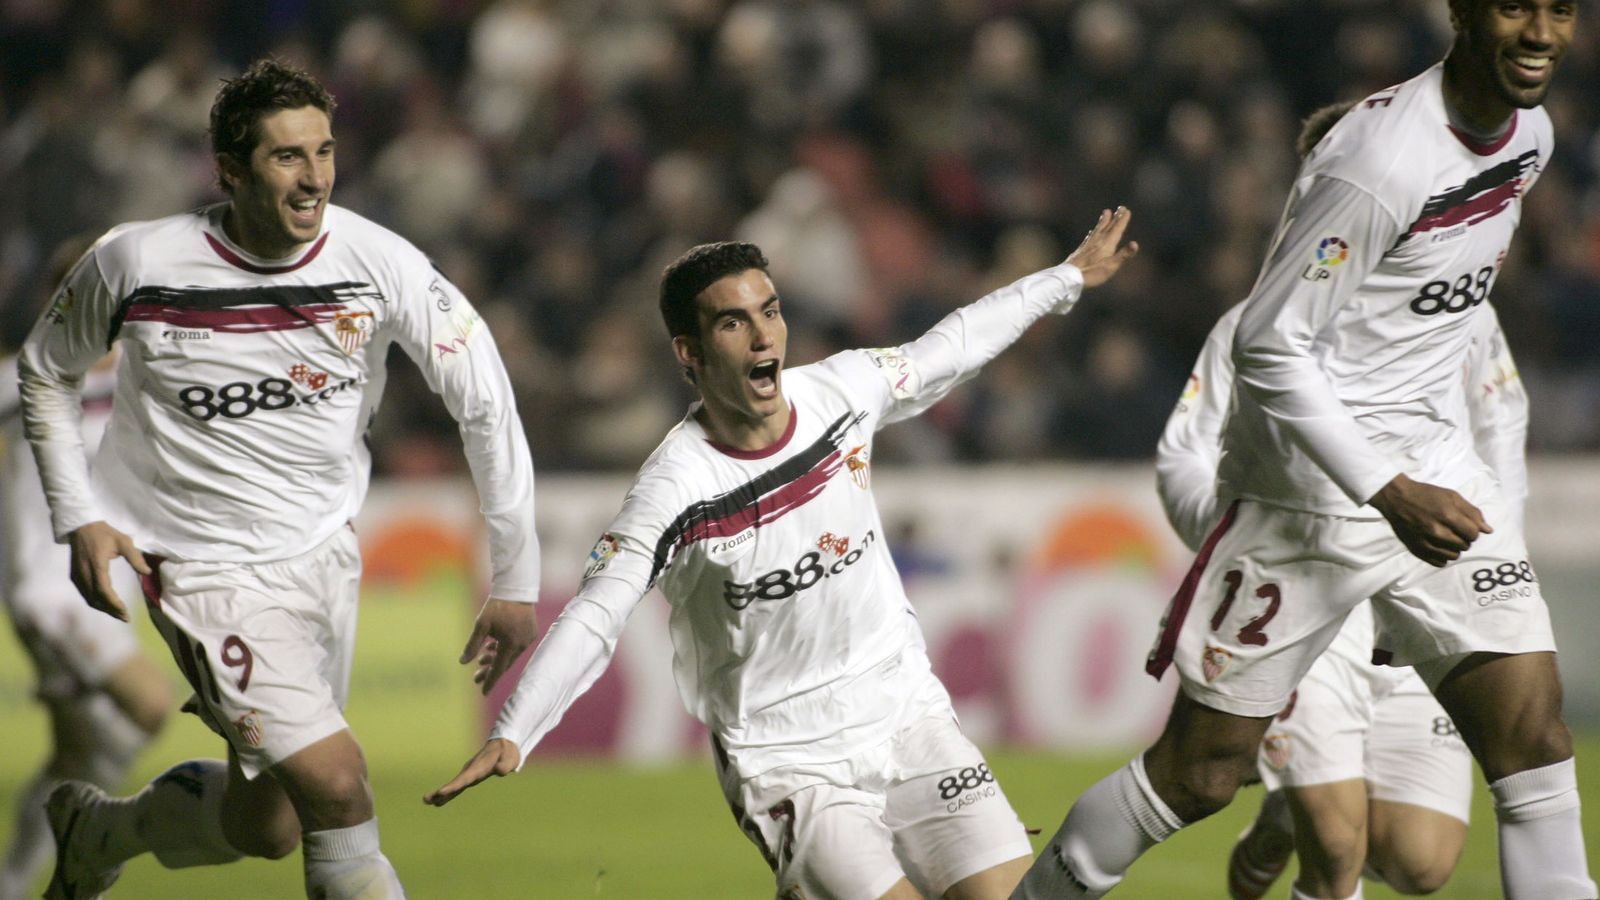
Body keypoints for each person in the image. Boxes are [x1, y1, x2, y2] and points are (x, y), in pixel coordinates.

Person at [1017, 2, 1595, 898]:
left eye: (1561, 9)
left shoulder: (1534, 137)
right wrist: (1385, 488)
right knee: (1198, 776)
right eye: (1517, 6)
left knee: (1535, 746)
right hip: (1312, 498)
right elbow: (1268, 342)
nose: (1541, 33)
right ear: (1463, 11)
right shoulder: (1379, 162)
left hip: (1434, 468)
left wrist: (1438, 475)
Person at [426, 213, 1138, 899]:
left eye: (770, 311)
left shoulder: (840, 393)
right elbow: (597, 613)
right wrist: (516, 729)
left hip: (907, 714)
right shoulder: (678, 487)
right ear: (689, 350)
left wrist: (1065, 279)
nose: (764, 334)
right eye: (734, 322)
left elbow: (949, 347)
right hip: (789, 761)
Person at [18, 58, 540, 900]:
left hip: (322, 557)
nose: (315, 176)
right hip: (200, 566)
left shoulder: (380, 261)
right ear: (229, 170)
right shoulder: (138, 261)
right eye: (287, 156)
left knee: (270, 825)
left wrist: (516, 577)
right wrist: (78, 513)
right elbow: (44, 371)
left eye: (325, 151)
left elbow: (486, 399)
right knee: (338, 784)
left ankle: (99, 829)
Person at [1161, 99, 1507, 900]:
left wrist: (1492, 557)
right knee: (1338, 845)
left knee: (1420, 865)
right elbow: (1183, 458)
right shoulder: (1256, 322)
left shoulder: (1462, 311)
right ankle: (1302, 816)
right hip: (1308, 594)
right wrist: (1250, 536)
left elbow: (1501, 437)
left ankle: (1278, 819)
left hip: (1419, 596)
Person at [0, 239, 174, 900]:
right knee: (150, 707)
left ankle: (15, 882)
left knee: (74, 761)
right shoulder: (28, 378)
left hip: (104, 596)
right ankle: (101, 835)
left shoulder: (145, 377)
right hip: (52, 597)